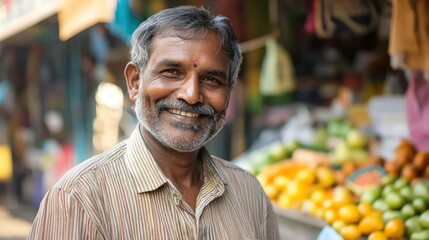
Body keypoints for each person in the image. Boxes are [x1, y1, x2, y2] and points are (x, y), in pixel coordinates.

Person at [27, 5, 280, 239]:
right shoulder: (78, 199)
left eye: (211, 79)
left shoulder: (249, 194)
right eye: (172, 72)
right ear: (135, 82)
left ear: (229, 92)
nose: (191, 95)